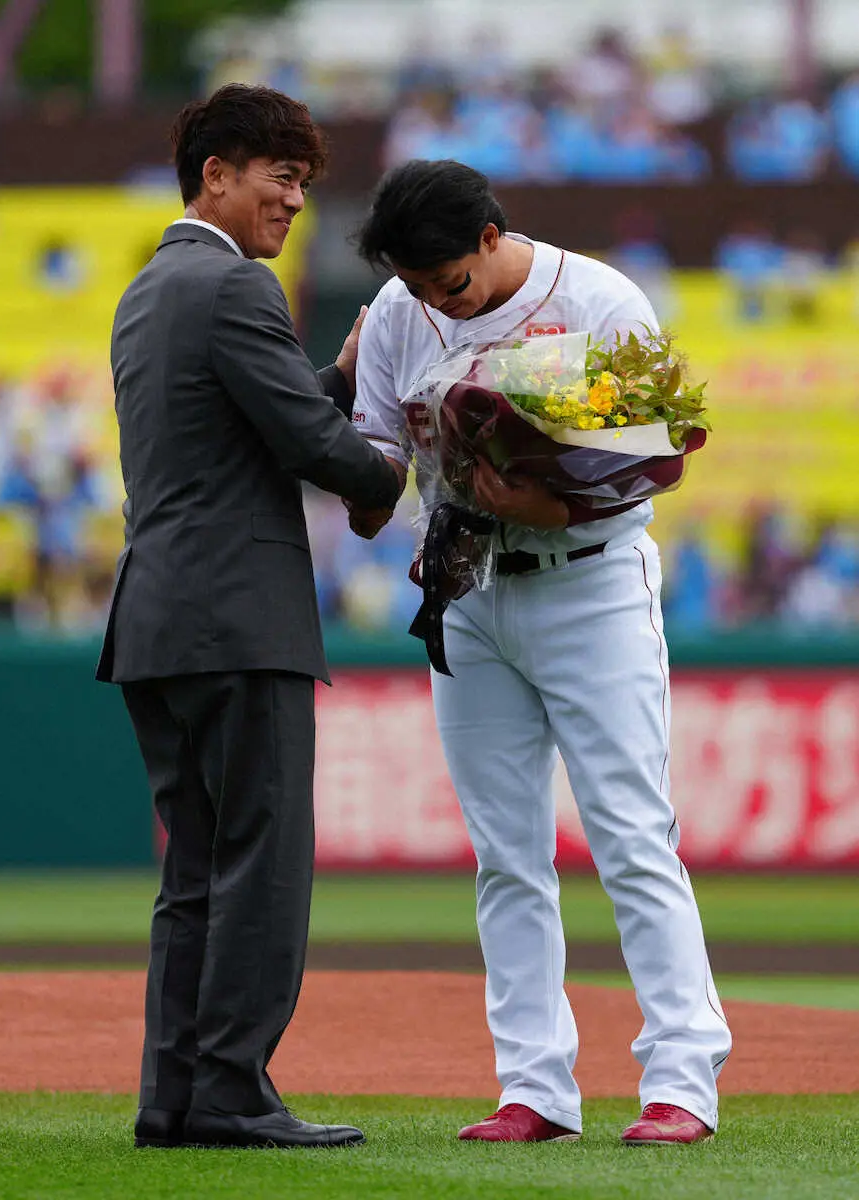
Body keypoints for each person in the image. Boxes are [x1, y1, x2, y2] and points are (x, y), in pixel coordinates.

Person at [349, 159, 732, 1146]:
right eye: (414, 282)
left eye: (447, 280)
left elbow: (659, 452)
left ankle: (681, 1081)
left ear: (487, 234)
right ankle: (533, 1086)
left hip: (588, 581)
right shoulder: (397, 309)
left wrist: (550, 501)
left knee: (629, 836)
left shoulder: (596, 296)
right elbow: (375, 465)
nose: (434, 299)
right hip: (466, 582)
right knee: (503, 854)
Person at [95, 84, 401, 1151]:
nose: (293, 203)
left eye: (303, 184)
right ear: (214, 174)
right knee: (261, 861)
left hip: (160, 616)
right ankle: (232, 1090)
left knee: (193, 875)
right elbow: (313, 450)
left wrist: (335, 378)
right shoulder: (234, 289)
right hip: (237, 618)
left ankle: (173, 1096)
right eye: (279, 177)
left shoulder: (151, 286)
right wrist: (389, 467)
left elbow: (239, 426)